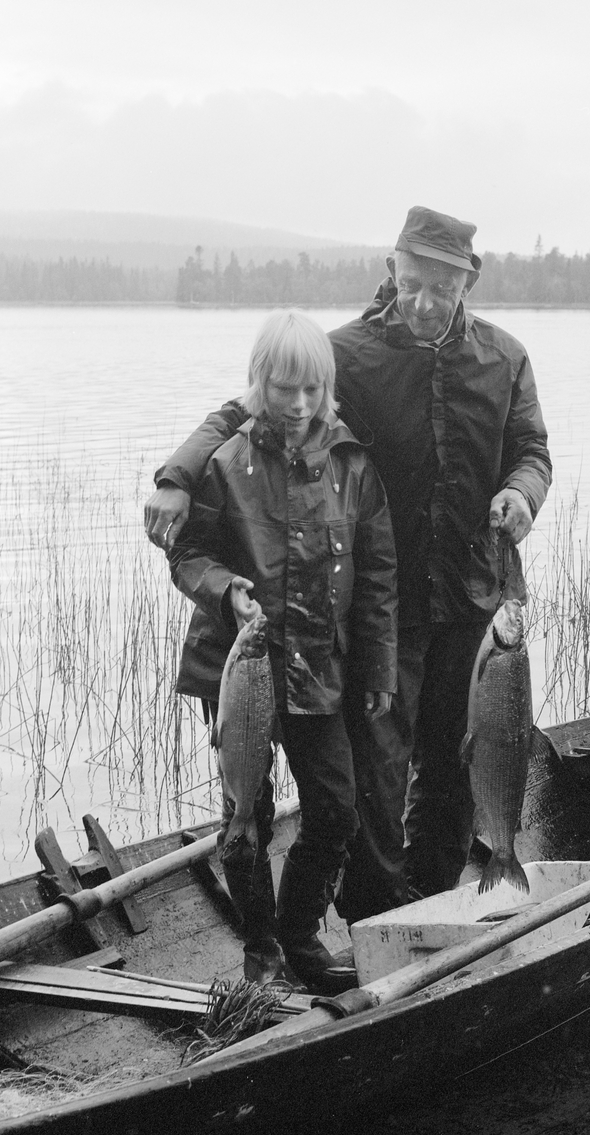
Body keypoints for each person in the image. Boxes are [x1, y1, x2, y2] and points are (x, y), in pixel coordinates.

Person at [149, 206, 550, 911]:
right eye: (413, 283)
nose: (425, 303)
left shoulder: (505, 359)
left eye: (443, 288)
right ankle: (371, 908)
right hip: (380, 610)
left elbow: (531, 452)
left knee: (456, 768)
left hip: (470, 600)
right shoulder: (347, 355)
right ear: (391, 271)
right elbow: (245, 412)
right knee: (378, 772)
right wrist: (176, 478)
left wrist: (521, 492)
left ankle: (433, 900)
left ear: (469, 281)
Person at [163, 308, 396, 995]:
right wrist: (224, 589)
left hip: (322, 672)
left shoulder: (352, 463)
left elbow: (379, 573)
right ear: (256, 384)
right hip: (241, 670)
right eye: (282, 388)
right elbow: (186, 554)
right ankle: (259, 946)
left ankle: (298, 934)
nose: (296, 405)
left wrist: (378, 665)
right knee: (246, 817)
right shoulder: (225, 461)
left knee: (335, 811)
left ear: (326, 389)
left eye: (310, 391)